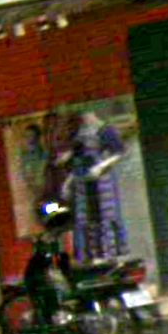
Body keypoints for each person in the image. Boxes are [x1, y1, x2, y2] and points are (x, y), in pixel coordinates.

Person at [60, 111, 129, 264]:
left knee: (105, 216)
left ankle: (110, 254)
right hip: (82, 182)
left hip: (101, 181)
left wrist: (101, 166)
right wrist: (68, 182)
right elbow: (77, 160)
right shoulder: (79, 132)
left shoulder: (105, 130)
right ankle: (93, 255)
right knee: (86, 218)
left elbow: (120, 151)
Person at [20, 124, 48, 205]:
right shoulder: (25, 156)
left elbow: (43, 171)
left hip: (45, 190)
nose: (28, 139)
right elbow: (25, 173)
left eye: (31, 136)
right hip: (33, 192)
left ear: (37, 137)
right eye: (26, 136)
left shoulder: (44, 154)